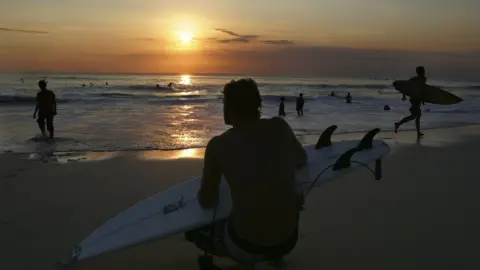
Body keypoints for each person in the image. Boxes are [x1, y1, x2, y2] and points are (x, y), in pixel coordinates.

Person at [188, 78, 307, 267]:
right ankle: (276, 257)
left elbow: (207, 201)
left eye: (225, 104)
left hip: (245, 246)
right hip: (289, 240)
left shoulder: (218, 145)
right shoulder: (280, 127)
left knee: (194, 232)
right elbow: (301, 160)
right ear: (257, 105)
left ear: (231, 108)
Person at [394, 66, 426, 137]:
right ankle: (398, 124)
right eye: (423, 71)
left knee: (415, 116)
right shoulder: (415, 79)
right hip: (414, 99)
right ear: (420, 72)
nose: (424, 72)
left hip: (418, 99)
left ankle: (399, 124)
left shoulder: (423, 79)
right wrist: (404, 95)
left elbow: (422, 90)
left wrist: (423, 99)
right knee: (416, 115)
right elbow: (407, 86)